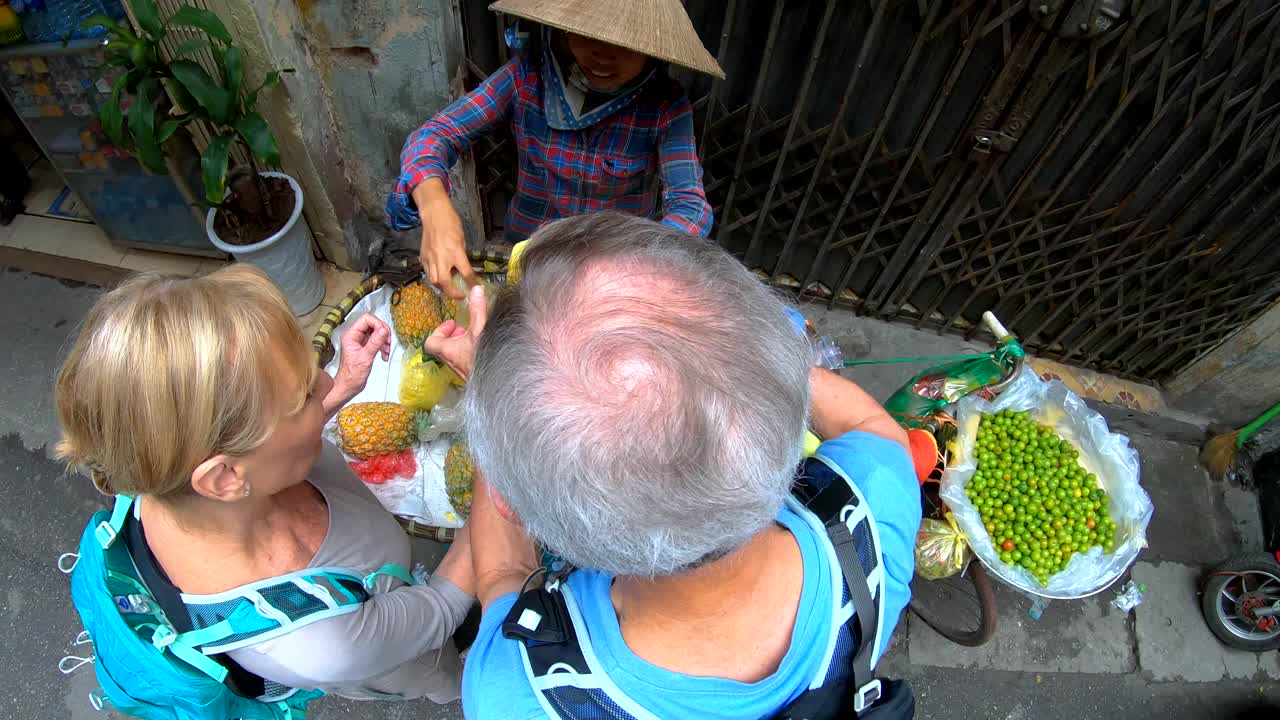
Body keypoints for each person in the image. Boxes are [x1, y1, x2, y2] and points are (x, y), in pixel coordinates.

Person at [424, 212, 923, 719]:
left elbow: (506, 571)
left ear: (512, 500)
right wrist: (747, 370)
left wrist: (489, 410)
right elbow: (873, 428)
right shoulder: (873, 522)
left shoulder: (517, 695)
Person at [54, 265, 475, 703]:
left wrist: (340, 389)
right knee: (438, 670)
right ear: (225, 477)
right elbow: (442, 607)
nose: (326, 378)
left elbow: (259, 446)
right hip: (404, 660)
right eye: (302, 397)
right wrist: (504, 426)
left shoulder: (173, 470)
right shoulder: (324, 643)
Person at [386, 0, 723, 298]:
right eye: (588, 34)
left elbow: (690, 207)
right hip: (532, 254)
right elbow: (436, 134)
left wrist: (636, 263)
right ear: (563, 30)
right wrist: (434, 207)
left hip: (614, 273)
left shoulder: (665, 105)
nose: (603, 54)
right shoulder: (526, 77)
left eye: (624, 45)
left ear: (652, 48)